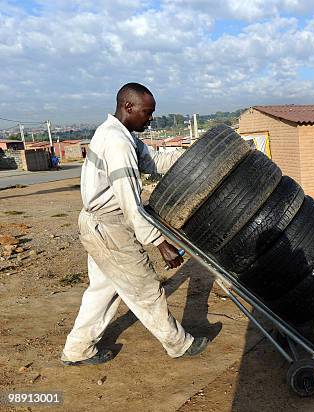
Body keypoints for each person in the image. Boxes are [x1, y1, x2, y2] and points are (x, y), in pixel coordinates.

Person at [61, 83, 208, 366]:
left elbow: (155, 159)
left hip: (97, 224)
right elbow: (131, 203)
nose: (150, 119)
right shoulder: (117, 143)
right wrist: (159, 242)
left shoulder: (118, 133)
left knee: (103, 290)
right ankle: (179, 344)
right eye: (147, 112)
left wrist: (197, 156)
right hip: (109, 227)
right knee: (146, 289)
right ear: (128, 107)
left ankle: (77, 350)